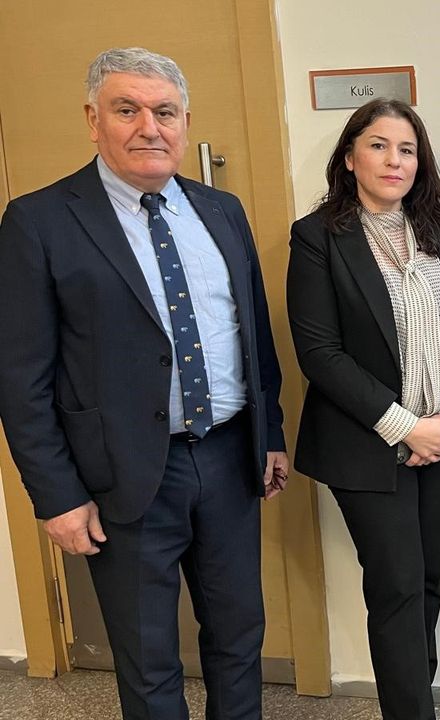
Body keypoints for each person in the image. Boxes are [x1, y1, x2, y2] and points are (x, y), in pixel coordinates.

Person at [0, 47, 288, 719]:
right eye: (127, 110)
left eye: (164, 112)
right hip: (122, 475)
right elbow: (20, 376)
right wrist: (57, 496)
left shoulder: (222, 209)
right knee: (148, 657)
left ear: (185, 122)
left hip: (228, 457)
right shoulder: (39, 221)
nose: (148, 128)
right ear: (93, 120)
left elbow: (254, 336)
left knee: (239, 638)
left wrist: (269, 433)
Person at [286, 98, 440, 720]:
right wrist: (406, 428)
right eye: (378, 145)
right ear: (350, 158)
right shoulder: (318, 237)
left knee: (426, 580)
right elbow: (320, 352)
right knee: (396, 585)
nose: (394, 160)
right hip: (367, 445)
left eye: (406, 149)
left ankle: (413, 699)